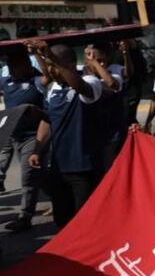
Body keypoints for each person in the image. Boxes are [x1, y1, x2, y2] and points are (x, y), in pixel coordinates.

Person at [26, 41, 104, 227]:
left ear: (69, 65)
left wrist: (51, 57)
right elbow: (48, 121)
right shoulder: (52, 89)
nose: (50, 70)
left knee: (86, 222)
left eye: (53, 66)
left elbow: (81, 88)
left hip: (84, 167)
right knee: (63, 223)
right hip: (60, 167)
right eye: (49, 65)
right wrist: (37, 149)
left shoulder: (91, 82)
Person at [0, 46, 45, 232]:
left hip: (32, 137)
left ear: (26, 65)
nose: (11, 69)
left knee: (28, 178)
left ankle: (25, 217)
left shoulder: (36, 81)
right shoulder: (6, 82)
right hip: (11, 135)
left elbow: (48, 76)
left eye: (14, 65)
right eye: (9, 65)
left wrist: (37, 53)